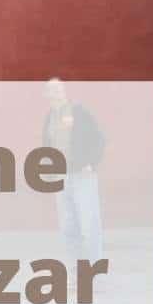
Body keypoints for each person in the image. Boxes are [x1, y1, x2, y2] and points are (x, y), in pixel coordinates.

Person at [42, 79, 105, 278]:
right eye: (52, 90)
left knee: (89, 225)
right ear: (46, 95)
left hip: (82, 176)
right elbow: (46, 146)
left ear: (64, 91)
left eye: (59, 89)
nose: (56, 93)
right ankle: (77, 272)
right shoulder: (49, 117)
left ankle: (95, 273)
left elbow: (98, 138)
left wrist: (91, 163)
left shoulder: (79, 112)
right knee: (69, 226)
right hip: (61, 177)